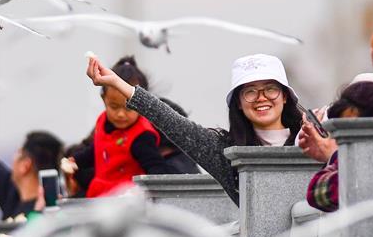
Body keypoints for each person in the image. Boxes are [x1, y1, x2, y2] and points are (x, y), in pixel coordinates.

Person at [86, 53, 302, 204]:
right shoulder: (226, 155)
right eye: (250, 92)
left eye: (270, 89)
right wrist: (118, 84)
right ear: (238, 102)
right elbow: (173, 123)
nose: (261, 98)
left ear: (285, 96)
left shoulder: (309, 140)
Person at [69, 56, 175, 197]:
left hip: (126, 199)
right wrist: (76, 161)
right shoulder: (103, 121)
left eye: (128, 108)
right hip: (101, 194)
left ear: (142, 103)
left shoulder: (142, 136)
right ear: (104, 99)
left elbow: (157, 169)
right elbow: (98, 148)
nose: (120, 114)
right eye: (114, 106)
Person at [302, 82, 373, 212]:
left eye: (351, 131)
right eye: (340, 135)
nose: (346, 142)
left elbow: (329, 193)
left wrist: (336, 155)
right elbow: (317, 194)